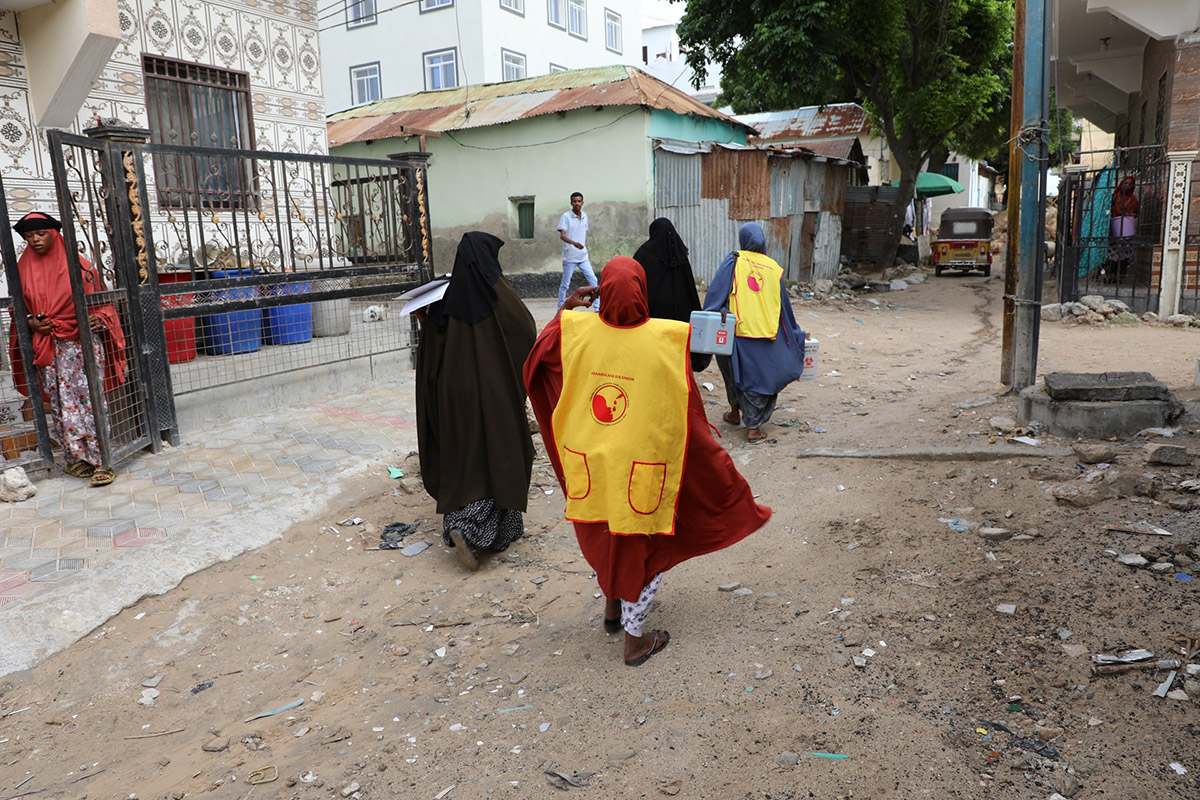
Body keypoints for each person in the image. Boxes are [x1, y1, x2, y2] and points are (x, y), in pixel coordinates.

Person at [524, 256, 771, 667]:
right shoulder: (666, 338)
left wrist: (567, 306)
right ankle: (635, 641)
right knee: (643, 547)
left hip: (594, 465)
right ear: (643, 291)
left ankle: (611, 611)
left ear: (601, 290)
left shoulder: (576, 332)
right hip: (644, 470)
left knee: (607, 536)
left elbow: (536, 360)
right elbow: (687, 411)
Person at [415, 231, 538, 570]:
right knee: (499, 456)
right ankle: (469, 532)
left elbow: (429, 357)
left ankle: (480, 529)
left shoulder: (443, 302)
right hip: (494, 399)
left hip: (453, 401)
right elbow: (527, 332)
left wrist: (427, 323)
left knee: (463, 460)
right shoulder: (500, 296)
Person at [7, 211, 125, 486]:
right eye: (28, 237)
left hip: (81, 343)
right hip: (49, 346)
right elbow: (18, 308)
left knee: (90, 398)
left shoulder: (79, 265)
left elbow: (101, 300)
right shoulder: (21, 268)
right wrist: (32, 324)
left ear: (55, 234)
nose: (34, 240)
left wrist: (99, 318)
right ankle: (76, 460)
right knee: (61, 402)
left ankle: (102, 460)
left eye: (40, 234)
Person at [703, 222, 805, 443]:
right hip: (766, 334)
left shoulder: (735, 260)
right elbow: (783, 306)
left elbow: (717, 291)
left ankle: (738, 416)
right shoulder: (774, 268)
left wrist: (714, 311)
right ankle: (753, 427)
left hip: (735, 332)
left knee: (732, 373)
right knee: (759, 380)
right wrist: (793, 333)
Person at [631, 216, 709, 371]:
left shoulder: (644, 253)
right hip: (677, 313)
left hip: (653, 311)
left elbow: (635, 280)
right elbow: (689, 289)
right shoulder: (679, 255)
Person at [556, 191, 598, 310]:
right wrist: (574, 243)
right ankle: (560, 307)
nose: (577, 203)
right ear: (571, 203)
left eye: (579, 201)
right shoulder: (566, 217)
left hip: (583, 257)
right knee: (565, 284)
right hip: (570, 257)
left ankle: (597, 308)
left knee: (593, 280)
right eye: (574, 201)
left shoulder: (584, 217)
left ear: (582, 202)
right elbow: (562, 236)